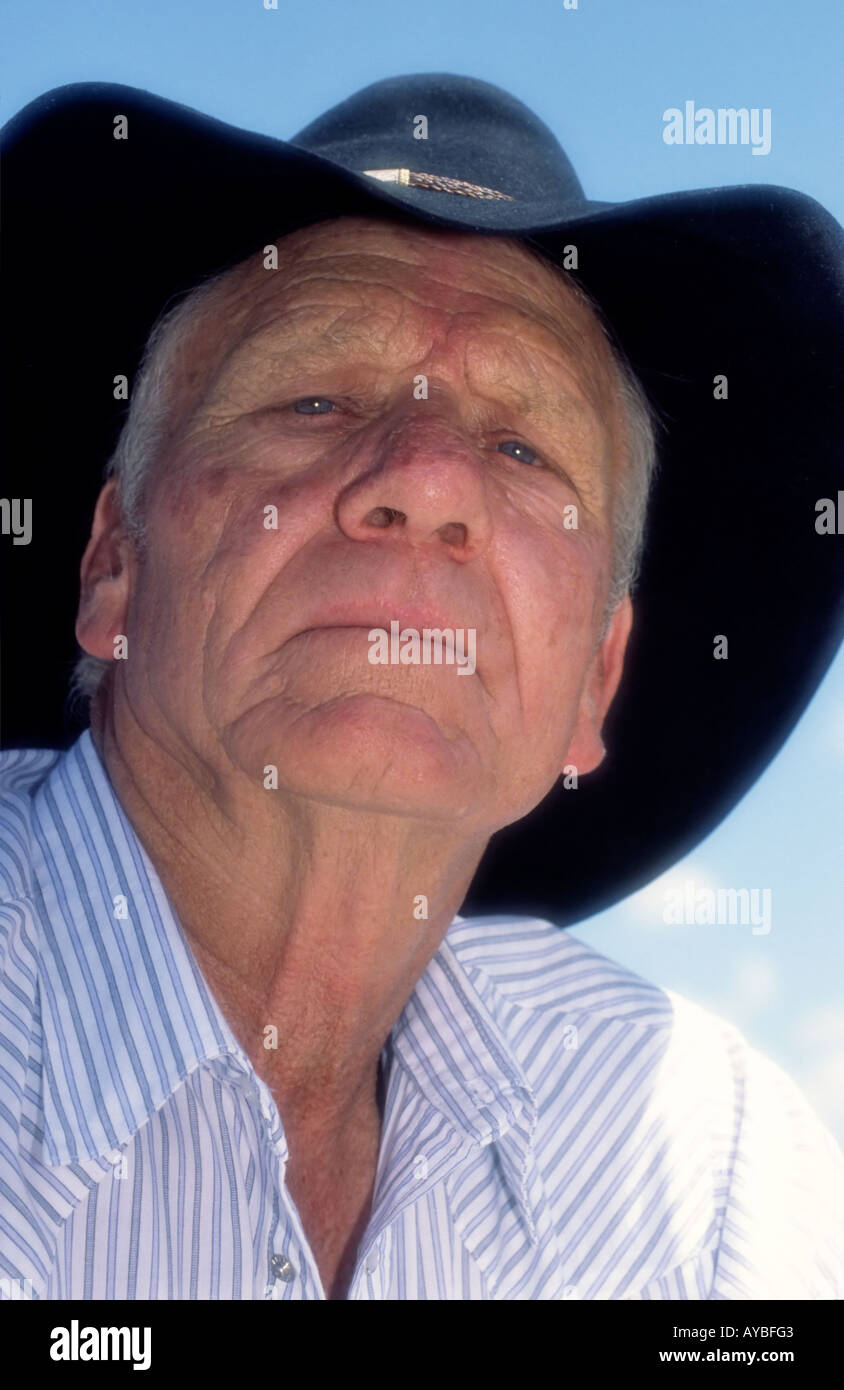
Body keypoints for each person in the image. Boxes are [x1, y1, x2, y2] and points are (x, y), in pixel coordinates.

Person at [1, 73, 842, 1302]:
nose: (427, 480)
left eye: (521, 446)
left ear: (590, 683)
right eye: (316, 396)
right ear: (115, 562)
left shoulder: (707, 1166)